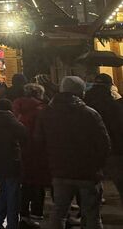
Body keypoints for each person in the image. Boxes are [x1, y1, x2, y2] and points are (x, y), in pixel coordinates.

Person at [38, 76, 111, 229]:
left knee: (59, 212)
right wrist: (97, 166)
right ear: (80, 92)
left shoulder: (46, 113)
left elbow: (39, 140)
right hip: (87, 172)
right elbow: (104, 143)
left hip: (59, 170)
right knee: (92, 214)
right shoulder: (89, 113)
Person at [0, 98, 30, 229]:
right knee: (12, 193)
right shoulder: (11, 120)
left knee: (5, 191)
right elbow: (24, 134)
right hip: (11, 160)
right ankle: (12, 224)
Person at [13, 83, 49, 222]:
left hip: (21, 149)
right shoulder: (41, 109)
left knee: (25, 181)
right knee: (38, 181)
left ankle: (23, 210)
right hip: (38, 149)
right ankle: (36, 211)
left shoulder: (17, 107)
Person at [84, 73, 123, 200]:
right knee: (119, 179)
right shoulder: (113, 105)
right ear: (109, 86)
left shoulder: (85, 103)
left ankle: (89, 213)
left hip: (89, 147)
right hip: (113, 147)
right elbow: (118, 127)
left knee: (90, 183)